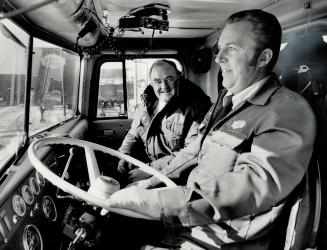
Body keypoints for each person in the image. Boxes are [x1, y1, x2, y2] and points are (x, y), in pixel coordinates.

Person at [106, 9, 317, 249]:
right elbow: (194, 152)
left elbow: (252, 186)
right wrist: (150, 182)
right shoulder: (228, 101)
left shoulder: (287, 110)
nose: (218, 58)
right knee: (111, 229)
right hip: (190, 224)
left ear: (263, 58)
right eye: (221, 47)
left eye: (232, 49)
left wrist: (160, 202)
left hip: (220, 238)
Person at [117, 59, 211, 184]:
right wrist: (125, 154)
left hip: (174, 174)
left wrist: (149, 170)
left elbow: (189, 153)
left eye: (169, 79)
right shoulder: (147, 101)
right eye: (157, 81)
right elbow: (133, 133)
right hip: (148, 164)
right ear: (151, 83)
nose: (164, 86)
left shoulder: (196, 106)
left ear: (178, 78)